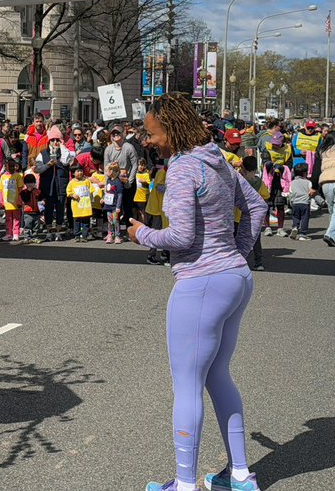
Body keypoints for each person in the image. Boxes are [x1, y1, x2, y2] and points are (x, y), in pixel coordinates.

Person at [127, 93, 267, 491]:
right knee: (218, 376)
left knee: (187, 385)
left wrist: (141, 234)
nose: (147, 140)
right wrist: (236, 253)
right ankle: (240, 475)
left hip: (202, 283)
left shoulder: (185, 168)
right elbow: (256, 206)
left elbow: (181, 235)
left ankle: (185, 485)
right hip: (235, 279)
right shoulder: (218, 159)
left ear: (170, 129)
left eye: (151, 133)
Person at [35, 130, 72, 238]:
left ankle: (59, 231)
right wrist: (48, 165)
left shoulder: (64, 152)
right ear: (49, 141)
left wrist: (62, 147)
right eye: (52, 140)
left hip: (61, 184)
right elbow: (38, 169)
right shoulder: (43, 153)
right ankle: (49, 230)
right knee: (48, 208)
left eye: (57, 140)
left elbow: (66, 161)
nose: (55, 142)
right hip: (48, 185)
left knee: (60, 207)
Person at [66, 163, 93, 242]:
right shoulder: (72, 182)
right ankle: (77, 235)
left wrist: (91, 198)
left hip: (86, 205)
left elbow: (91, 190)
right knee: (76, 221)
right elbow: (68, 191)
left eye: (81, 171)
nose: (80, 172)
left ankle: (84, 236)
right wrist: (72, 195)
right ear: (73, 173)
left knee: (86, 221)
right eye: (77, 171)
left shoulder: (86, 181)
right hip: (76, 205)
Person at [0, 158, 23, 243]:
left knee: (16, 218)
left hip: (15, 201)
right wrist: (1, 201)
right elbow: (1, 190)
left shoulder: (17, 176)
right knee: (8, 218)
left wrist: (19, 200)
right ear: (5, 167)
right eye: (9, 166)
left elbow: (20, 189)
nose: (11, 168)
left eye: (13, 166)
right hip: (6, 201)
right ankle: (9, 233)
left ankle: (16, 233)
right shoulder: (3, 177)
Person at [287, 163, 314, 241]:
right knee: (304, 218)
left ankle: (295, 227)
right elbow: (311, 192)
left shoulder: (292, 183)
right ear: (305, 173)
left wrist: (291, 202)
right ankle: (303, 234)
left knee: (295, 216)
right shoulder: (308, 182)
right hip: (305, 203)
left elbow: (290, 192)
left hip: (295, 203)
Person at [19, 173, 42, 242]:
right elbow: (25, 199)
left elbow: (41, 199)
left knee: (36, 226)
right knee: (27, 225)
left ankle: (35, 237)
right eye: (28, 183)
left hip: (37, 212)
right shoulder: (24, 192)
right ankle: (27, 237)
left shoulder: (38, 191)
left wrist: (43, 201)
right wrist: (28, 191)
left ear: (34, 183)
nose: (30, 184)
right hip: (27, 212)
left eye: (31, 183)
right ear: (25, 184)